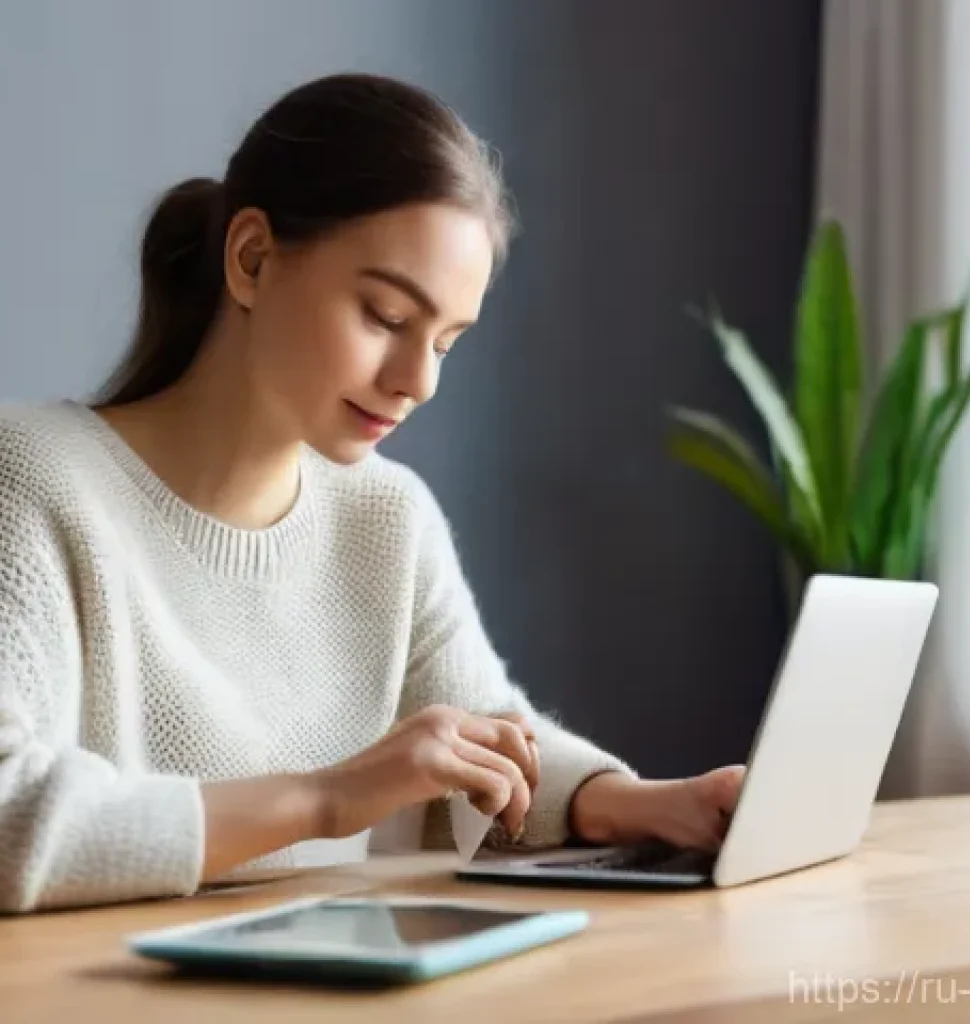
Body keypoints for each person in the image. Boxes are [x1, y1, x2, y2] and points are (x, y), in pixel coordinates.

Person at [0, 72, 743, 913]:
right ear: (250, 260)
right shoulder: (31, 479)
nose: (418, 380)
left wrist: (644, 805)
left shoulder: (386, 517)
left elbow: (485, 730)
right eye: (387, 318)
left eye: (447, 343)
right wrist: (327, 799)